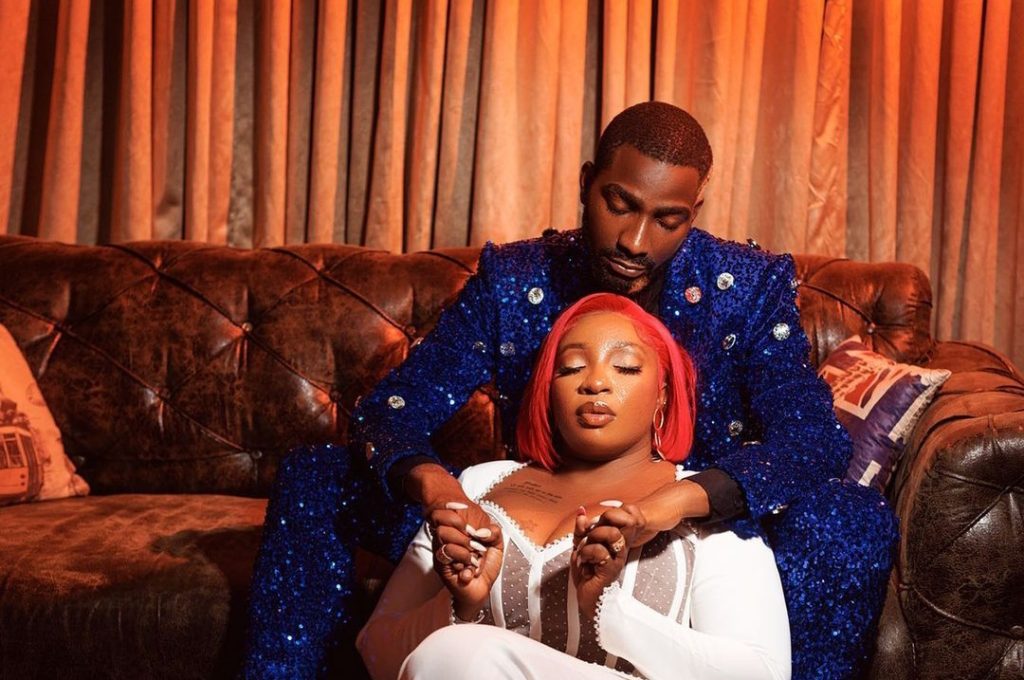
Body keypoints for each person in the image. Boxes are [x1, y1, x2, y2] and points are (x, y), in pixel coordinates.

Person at [244, 102, 898, 680]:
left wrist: (670, 507)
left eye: (668, 220)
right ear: (587, 183)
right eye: (620, 205)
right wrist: (445, 495)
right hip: (530, 512)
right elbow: (388, 414)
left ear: (695, 213)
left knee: (850, 517)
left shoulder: (746, 287)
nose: (636, 241)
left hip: (692, 529)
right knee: (317, 476)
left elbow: (812, 441)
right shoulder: (513, 280)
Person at [356, 293, 791, 680]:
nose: (595, 382)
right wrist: (458, 606)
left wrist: (611, 611)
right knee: (456, 651)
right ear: (549, 392)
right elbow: (376, 649)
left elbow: (762, 672)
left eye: (625, 367)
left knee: (462, 650)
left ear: (662, 394)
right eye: (571, 368)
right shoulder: (476, 485)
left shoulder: (704, 501)